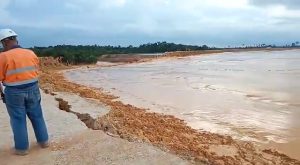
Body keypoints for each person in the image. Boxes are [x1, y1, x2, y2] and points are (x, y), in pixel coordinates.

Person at [0, 29, 49, 156]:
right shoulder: (30, 53)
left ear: (5, 42)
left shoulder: (3, 57)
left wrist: (2, 94)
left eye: (2, 43)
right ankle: (44, 142)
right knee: (37, 116)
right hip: (33, 89)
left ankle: (22, 149)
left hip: (14, 92)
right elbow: (36, 70)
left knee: (17, 119)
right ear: (15, 39)